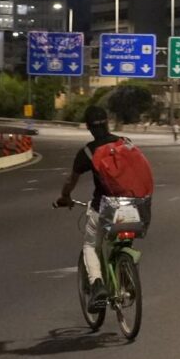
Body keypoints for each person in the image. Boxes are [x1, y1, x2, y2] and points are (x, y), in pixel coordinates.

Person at [56, 106, 119, 311]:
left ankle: (98, 286)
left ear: (89, 128)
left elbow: (71, 181)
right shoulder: (124, 143)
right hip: (134, 204)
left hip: (105, 205)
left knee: (90, 246)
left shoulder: (87, 152)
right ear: (108, 122)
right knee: (121, 240)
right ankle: (126, 274)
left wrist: (65, 197)